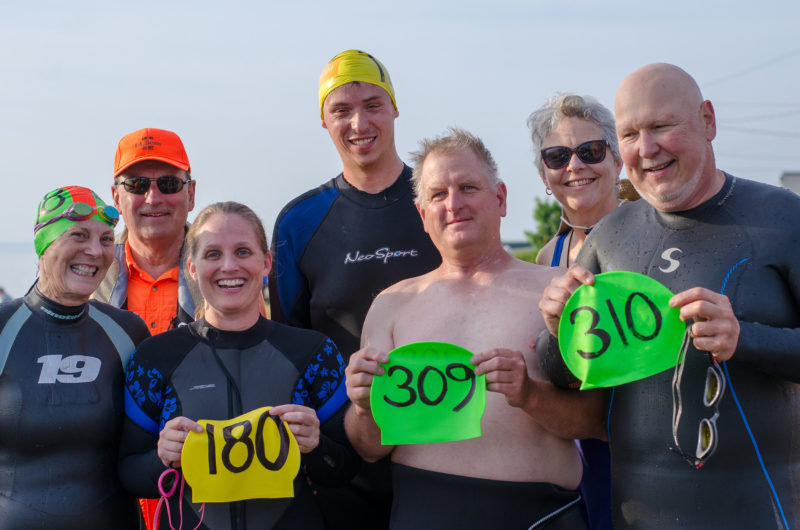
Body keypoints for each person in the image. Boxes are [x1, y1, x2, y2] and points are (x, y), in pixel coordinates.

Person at [537, 63, 800, 528]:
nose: (647, 148)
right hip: (636, 515)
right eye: (631, 134)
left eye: (661, 126)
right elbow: (564, 376)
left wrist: (745, 338)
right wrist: (558, 331)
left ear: (708, 121)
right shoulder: (609, 236)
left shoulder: (782, 219)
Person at [344, 128, 588, 529]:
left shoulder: (557, 290)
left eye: (468, 187)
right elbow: (370, 449)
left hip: (542, 515)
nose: (454, 204)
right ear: (423, 216)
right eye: (438, 194)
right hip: (425, 512)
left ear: (501, 198)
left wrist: (530, 395)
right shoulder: (391, 305)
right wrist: (363, 408)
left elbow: (600, 423)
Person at [269, 50, 441, 528]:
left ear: (394, 109)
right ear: (324, 121)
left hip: (445, 446)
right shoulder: (299, 221)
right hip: (343, 464)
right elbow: (288, 348)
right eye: (341, 110)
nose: (358, 122)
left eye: (372, 104)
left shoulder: (440, 203)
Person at [119, 202, 357, 530]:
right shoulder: (155, 359)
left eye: (243, 252)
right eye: (213, 254)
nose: (229, 266)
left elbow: (344, 469)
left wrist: (317, 446)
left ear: (266, 262)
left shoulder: (312, 353)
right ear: (191, 266)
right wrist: (163, 458)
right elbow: (130, 475)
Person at [0, 186, 149, 528]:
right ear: (44, 244)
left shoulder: (128, 331)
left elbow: (149, 451)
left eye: (106, 239)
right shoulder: (4, 328)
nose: (95, 251)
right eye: (78, 235)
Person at [527, 92, 633, 530]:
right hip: (575, 452)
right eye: (557, 156)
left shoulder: (653, 233)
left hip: (646, 441)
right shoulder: (547, 256)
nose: (574, 167)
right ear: (543, 172)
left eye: (590, 151)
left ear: (618, 160)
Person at [93, 127, 202, 334]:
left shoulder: (222, 270)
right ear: (116, 198)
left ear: (191, 193)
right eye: (137, 185)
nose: (153, 198)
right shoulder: (89, 269)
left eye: (169, 184)